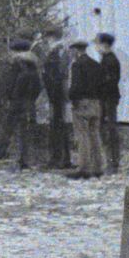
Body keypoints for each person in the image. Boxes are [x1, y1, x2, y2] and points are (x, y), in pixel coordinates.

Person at [0, 38, 44, 170]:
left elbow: (9, 84)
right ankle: (23, 160)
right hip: (29, 103)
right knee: (24, 134)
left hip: (16, 103)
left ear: (16, 51)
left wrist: (8, 96)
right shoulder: (33, 67)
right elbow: (38, 87)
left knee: (5, 131)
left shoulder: (16, 65)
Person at [65, 37, 107, 178]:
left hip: (82, 103)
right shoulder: (96, 64)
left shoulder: (77, 65)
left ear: (76, 51)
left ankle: (84, 168)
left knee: (82, 136)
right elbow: (102, 85)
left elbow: (75, 86)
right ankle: (98, 167)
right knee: (95, 135)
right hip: (96, 102)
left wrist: (71, 97)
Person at [40, 33, 75, 170]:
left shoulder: (53, 56)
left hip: (56, 97)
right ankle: (63, 159)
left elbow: (53, 78)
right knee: (62, 127)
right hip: (59, 97)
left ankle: (57, 159)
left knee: (57, 127)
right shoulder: (61, 55)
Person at [95, 31, 123, 172]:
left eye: (97, 44)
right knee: (107, 129)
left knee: (110, 130)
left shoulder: (110, 60)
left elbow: (109, 81)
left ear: (104, 44)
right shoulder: (107, 59)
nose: (96, 47)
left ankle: (112, 162)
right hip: (106, 97)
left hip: (108, 98)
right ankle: (110, 161)